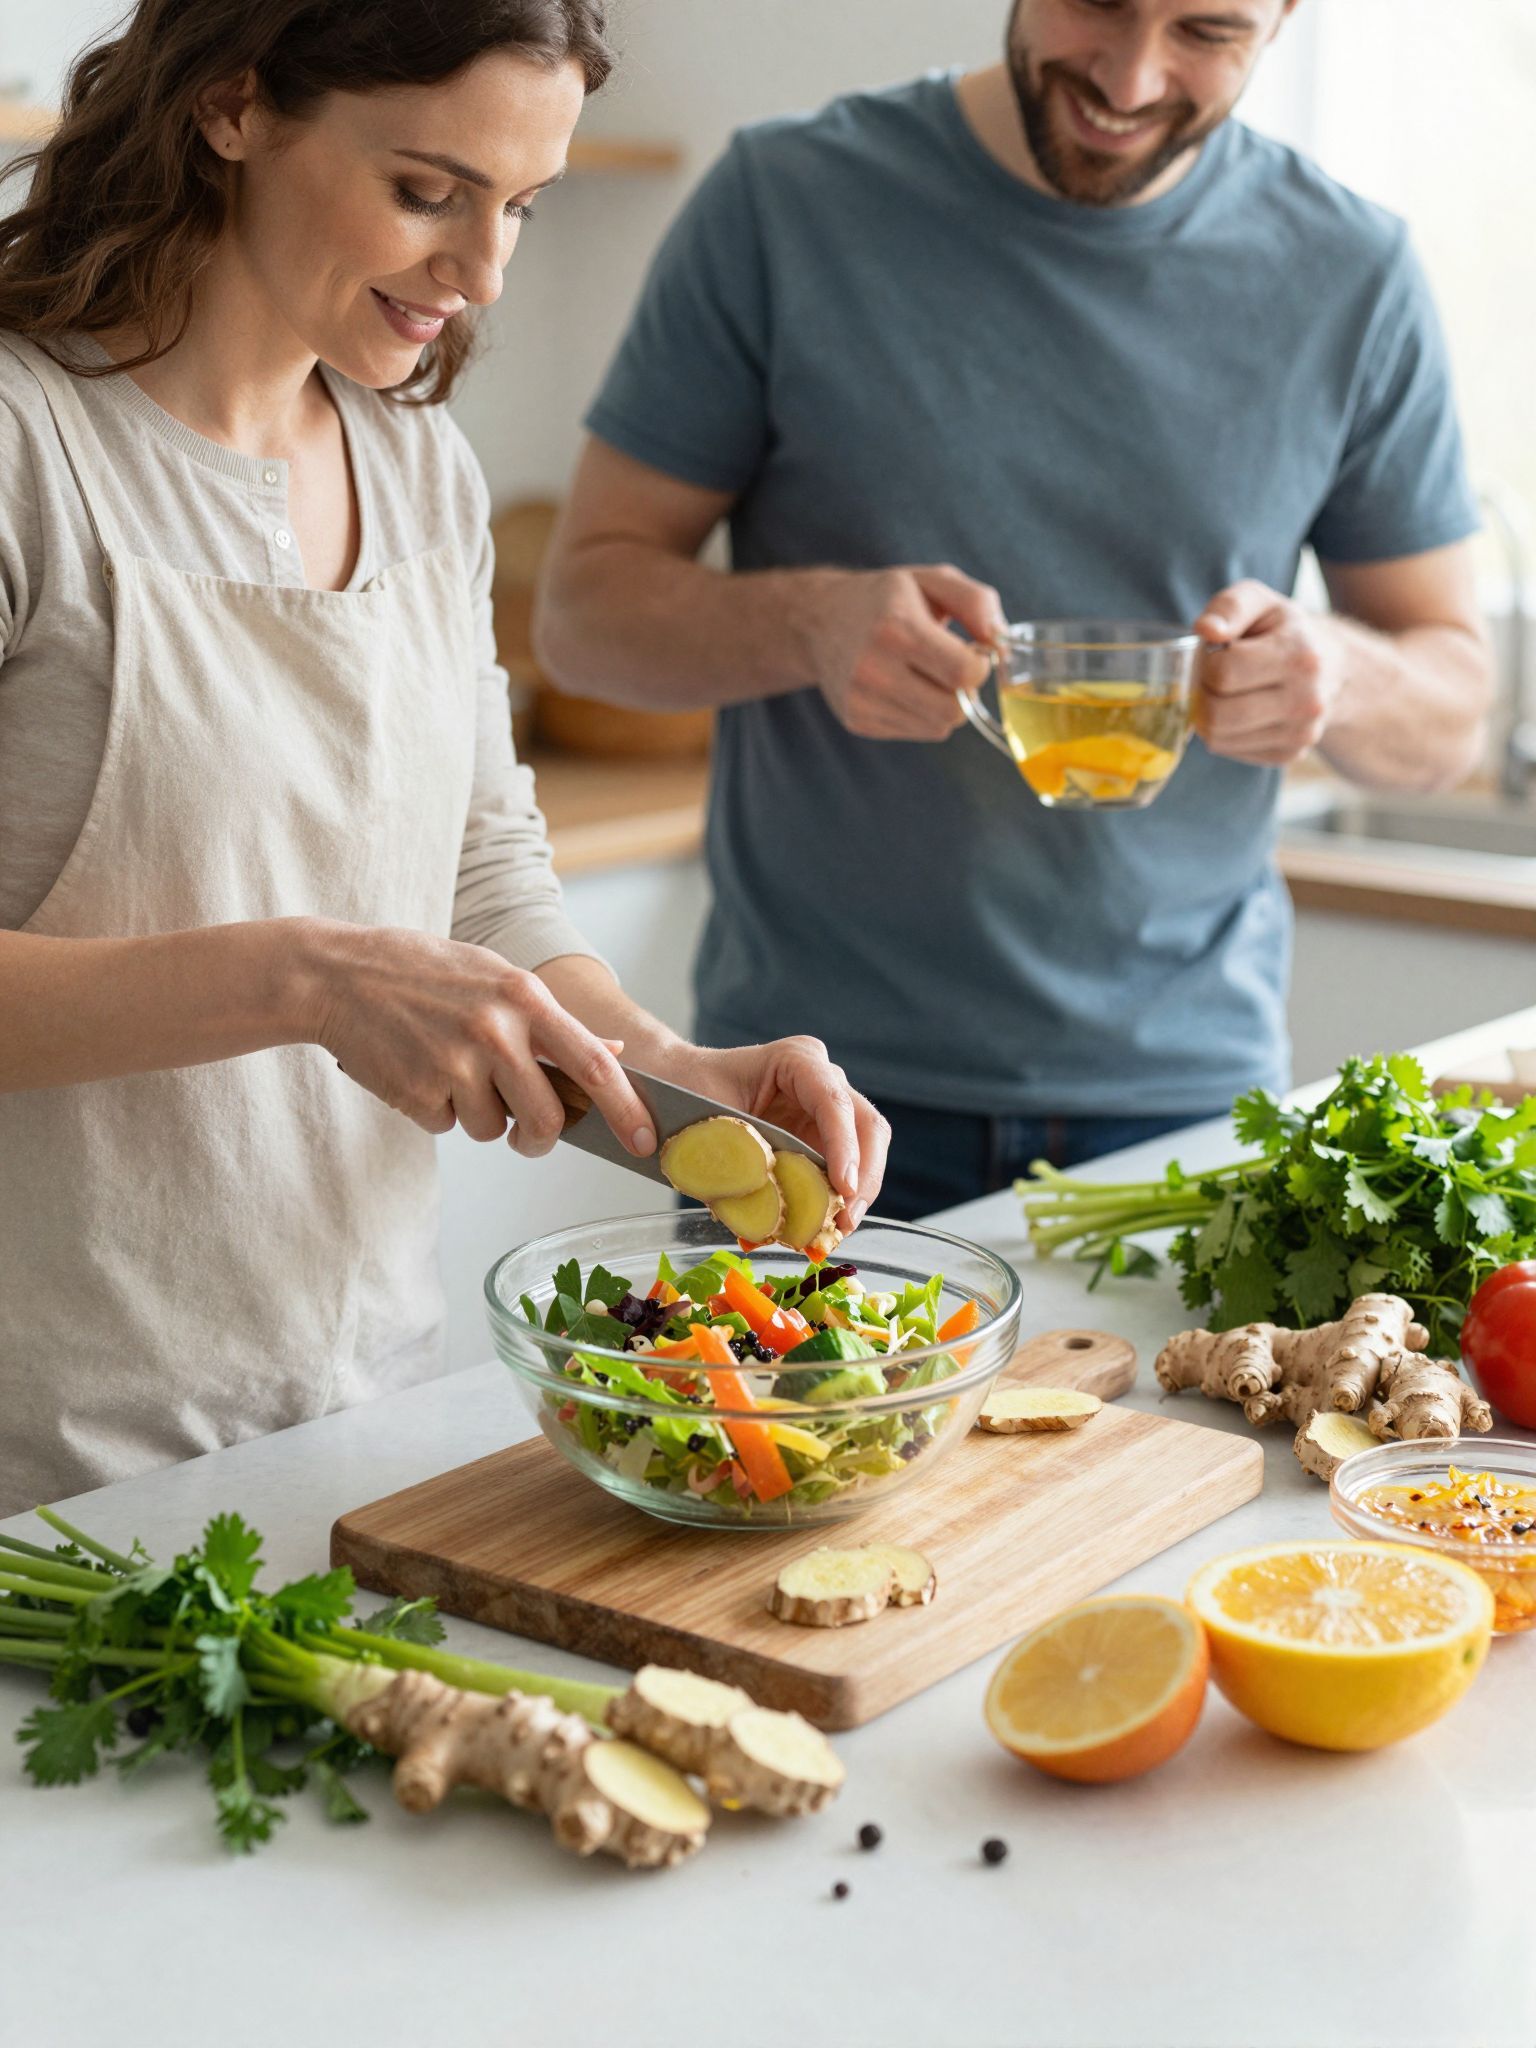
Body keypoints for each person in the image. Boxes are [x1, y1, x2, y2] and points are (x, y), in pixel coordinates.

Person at [0, 0, 888, 1517]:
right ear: (231, 106)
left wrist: (672, 1079)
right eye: (429, 192)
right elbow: (328, 964)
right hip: (46, 1463)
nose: (482, 273)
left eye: (522, 208)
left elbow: (482, 870)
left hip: (352, 1419)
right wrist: (302, 980)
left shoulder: (417, 464)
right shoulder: (32, 451)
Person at [534, 0, 1493, 1221]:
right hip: (810, 1092)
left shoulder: (1354, 271)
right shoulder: (787, 202)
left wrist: (1340, 680)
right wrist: (810, 623)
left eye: (1207, 30)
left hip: (1191, 1114)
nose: (1133, 77)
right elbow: (582, 613)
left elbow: (1453, 702)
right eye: (1099, 2)